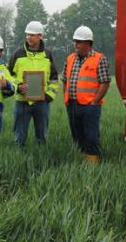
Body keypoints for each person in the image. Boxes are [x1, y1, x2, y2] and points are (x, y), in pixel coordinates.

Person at [62, 25, 110, 162]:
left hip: (89, 106)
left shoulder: (100, 59)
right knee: (77, 135)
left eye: (79, 41)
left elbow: (105, 82)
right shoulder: (70, 58)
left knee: (91, 136)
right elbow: (64, 80)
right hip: (72, 104)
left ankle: (93, 166)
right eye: (75, 41)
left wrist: (94, 102)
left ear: (88, 43)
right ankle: (81, 160)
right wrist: (66, 98)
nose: (75, 44)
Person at [8, 21, 59, 146]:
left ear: (40, 36)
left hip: (42, 103)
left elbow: (53, 79)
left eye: (32, 35)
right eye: (27, 34)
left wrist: (48, 96)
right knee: (19, 138)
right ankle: (19, 159)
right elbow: (9, 76)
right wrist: (18, 87)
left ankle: (40, 159)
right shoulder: (17, 54)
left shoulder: (48, 55)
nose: (29, 37)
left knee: (41, 138)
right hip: (21, 102)